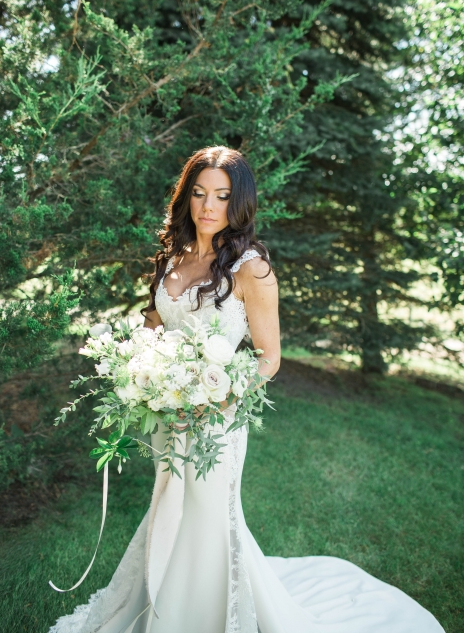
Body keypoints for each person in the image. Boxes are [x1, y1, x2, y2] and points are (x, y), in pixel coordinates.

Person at [49, 146, 444, 633]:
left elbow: (269, 358)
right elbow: (154, 322)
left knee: (210, 516)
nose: (207, 207)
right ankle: (160, 602)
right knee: (168, 503)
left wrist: (217, 396)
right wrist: (138, 366)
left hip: (216, 416)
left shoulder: (251, 269)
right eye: (198, 194)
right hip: (167, 409)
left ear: (239, 203)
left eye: (220, 196)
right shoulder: (175, 254)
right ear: (185, 198)